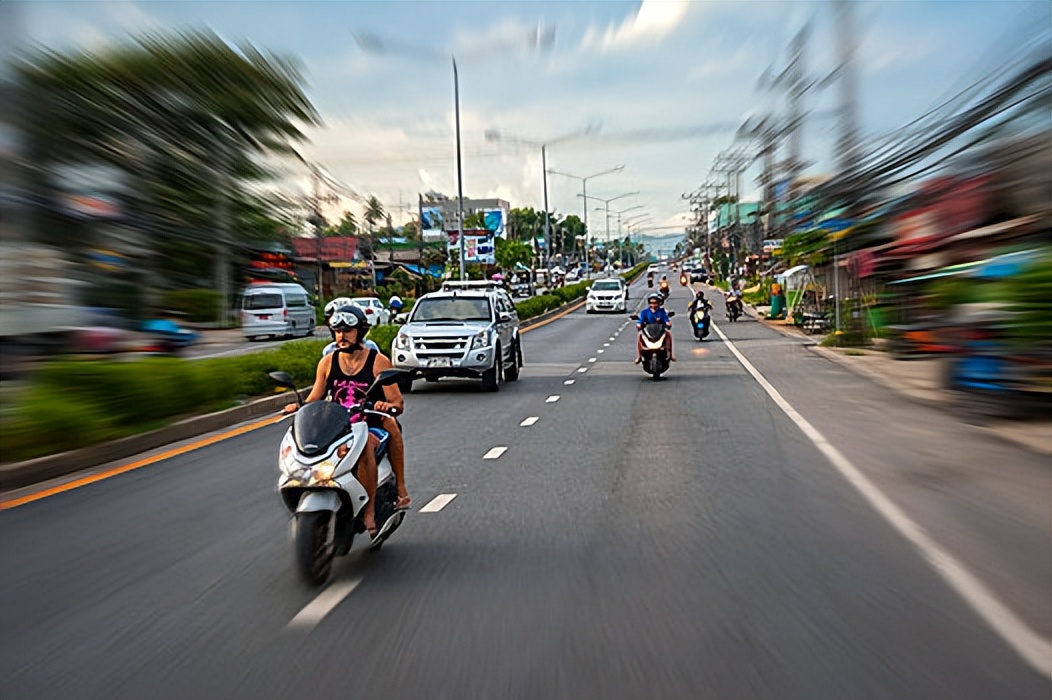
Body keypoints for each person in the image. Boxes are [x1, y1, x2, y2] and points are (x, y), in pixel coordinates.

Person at [284, 306, 409, 538]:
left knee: (365, 449)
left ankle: (371, 509)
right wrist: (299, 407)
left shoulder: (378, 361)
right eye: (337, 331)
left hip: (371, 422)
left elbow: (397, 402)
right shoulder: (327, 362)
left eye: (348, 330)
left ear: (360, 332)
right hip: (339, 424)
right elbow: (315, 398)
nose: (342, 335)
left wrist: (385, 406)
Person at [635, 291, 675, 363]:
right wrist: (639, 325)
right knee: (639, 335)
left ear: (659, 303)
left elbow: (666, 320)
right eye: (651, 303)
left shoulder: (662, 312)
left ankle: (671, 354)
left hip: (660, 330)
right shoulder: (645, 312)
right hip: (648, 331)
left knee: (668, 334)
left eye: (655, 303)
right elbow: (640, 321)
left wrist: (668, 323)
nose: (653, 304)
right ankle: (639, 356)